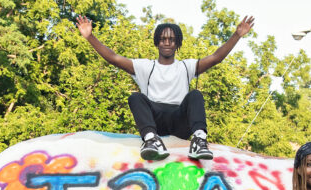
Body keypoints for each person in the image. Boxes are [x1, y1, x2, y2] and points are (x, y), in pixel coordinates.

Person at [76, 15, 254, 161]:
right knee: (135, 97)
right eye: (162, 39)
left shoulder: (186, 66)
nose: (167, 43)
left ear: (177, 44)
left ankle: (199, 140)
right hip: (155, 120)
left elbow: (215, 58)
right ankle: (151, 141)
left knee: (195, 95)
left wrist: (237, 35)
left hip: (179, 120)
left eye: (171, 39)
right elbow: (114, 58)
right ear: (157, 43)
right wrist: (90, 37)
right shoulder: (146, 67)